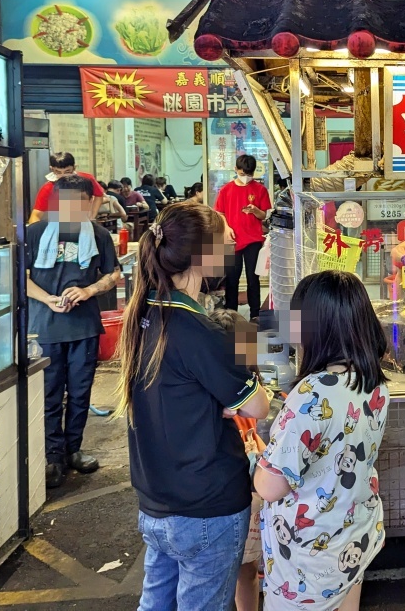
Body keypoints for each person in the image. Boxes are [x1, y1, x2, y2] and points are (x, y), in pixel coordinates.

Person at [115, 202, 271, 611]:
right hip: (207, 507)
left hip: (156, 503)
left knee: (156, 604)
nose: (233, 243)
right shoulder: (199, 330)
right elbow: (258, 406)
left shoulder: (145, 314)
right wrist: (237, 376)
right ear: (203, 255)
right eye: (225, 238)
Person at [255, 270, 390, 611]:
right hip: (354, 535)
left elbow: (271, 486)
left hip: (307, 557)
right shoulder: (373, 381)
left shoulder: (310, 393)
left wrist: (256, 461)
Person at [25, 175, 121, 488]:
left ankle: (73, 450)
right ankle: (53, 456)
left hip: (84, 326)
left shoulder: (98, 234)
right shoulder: (35, 233)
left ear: (86, 203)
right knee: (51, 394)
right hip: (46, 327)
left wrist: (89, 290)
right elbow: (20, 278)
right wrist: (47, 299)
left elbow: (113, 274)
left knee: (80, 394)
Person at [209, 309, 266, 611]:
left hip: (231, 497)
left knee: (230, 574)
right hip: (237, 497)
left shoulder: (209, 391)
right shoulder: (246, 390)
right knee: (244, 573)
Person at [214, 154, 272, 322]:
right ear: (236, 170)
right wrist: (226, 227)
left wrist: (255, 211)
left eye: (249, 174)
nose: (246, 177)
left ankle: (255, 314)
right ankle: (231, 314)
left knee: (253, 279)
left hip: (253, 240)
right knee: (232, 278)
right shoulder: (226, 190)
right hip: (233, 240)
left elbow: (263, 215)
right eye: (242, 173)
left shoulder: (260, 190)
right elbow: (219, 213)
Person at [29, 152, 104, 223]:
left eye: (67, 172)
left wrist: (92, 216)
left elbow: (99, 195)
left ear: (74, 168)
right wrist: (36, 230)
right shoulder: (48, 188)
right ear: (52, 169)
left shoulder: (87, 179)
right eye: (58, 172)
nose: (63, 176)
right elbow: (36, 215)